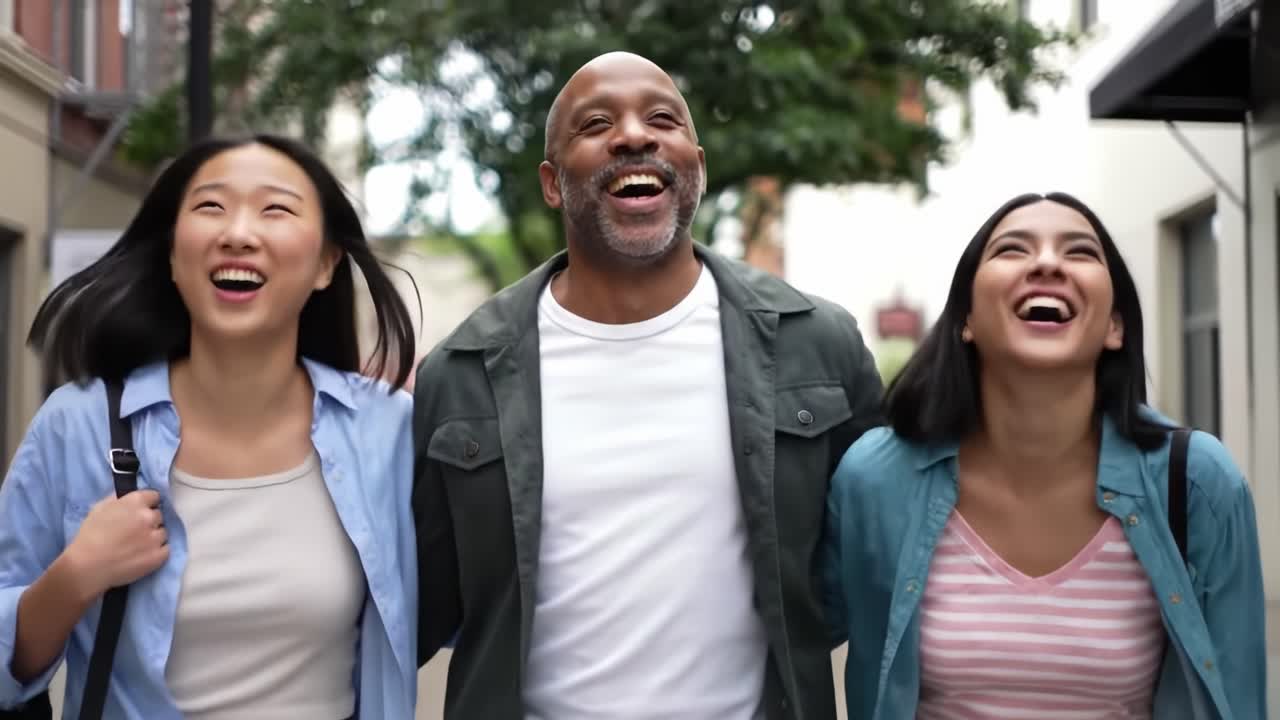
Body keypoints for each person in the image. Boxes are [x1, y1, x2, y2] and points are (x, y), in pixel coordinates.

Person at [412, 51, 885, 719]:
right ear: (551, 183)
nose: (635, 135)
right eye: (596, 123)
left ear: (697, 164)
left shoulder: (817, 345)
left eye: (662, 118)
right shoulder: (461, 376)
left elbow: (868, 563)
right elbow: (422, 604)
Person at [0, 134, 420, 719]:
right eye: (210, 207)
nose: (238, 233)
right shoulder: (77, 425)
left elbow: (487, 604)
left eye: (276, 209)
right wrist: (74, 578)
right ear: (173, 255)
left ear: (327, 264)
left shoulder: (391, 432)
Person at [822, 192, 1266, 719]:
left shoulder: (1197, 483)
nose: (1048, 262)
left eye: (1080, 252)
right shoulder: (875, 478)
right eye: (1012, 249)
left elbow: (1238, 697)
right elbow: (787, 639)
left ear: (1115, 327)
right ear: (965, 319)